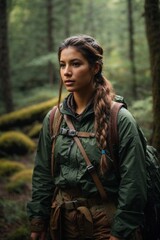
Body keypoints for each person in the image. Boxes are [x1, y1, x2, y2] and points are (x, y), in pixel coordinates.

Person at [27, 35, 147, 240]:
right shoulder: (54, 118)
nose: (67, 72)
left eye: (76, 64)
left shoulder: (120, 119)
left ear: (95, 68)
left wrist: (120, 233)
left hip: (106, 225)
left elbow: (134, 182)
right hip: (61, 223)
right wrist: (38, 221)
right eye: (62, 65)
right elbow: (43, 175)